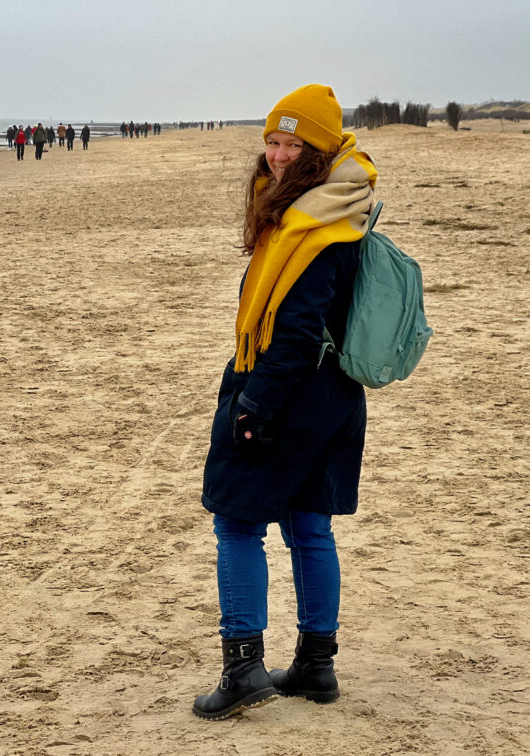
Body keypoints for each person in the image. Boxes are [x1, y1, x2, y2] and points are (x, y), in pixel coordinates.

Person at [193, 84, 377, 721]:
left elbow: (298, 332)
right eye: (272, 141)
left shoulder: (315, 225)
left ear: (320, 150)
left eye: (293, 144)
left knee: (237, 520)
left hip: (288, 392)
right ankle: (315, 665)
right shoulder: (341, 206)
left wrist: (254, 406)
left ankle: (242, 667)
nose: (277, 155)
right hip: (333, 398)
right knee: (307, 525)